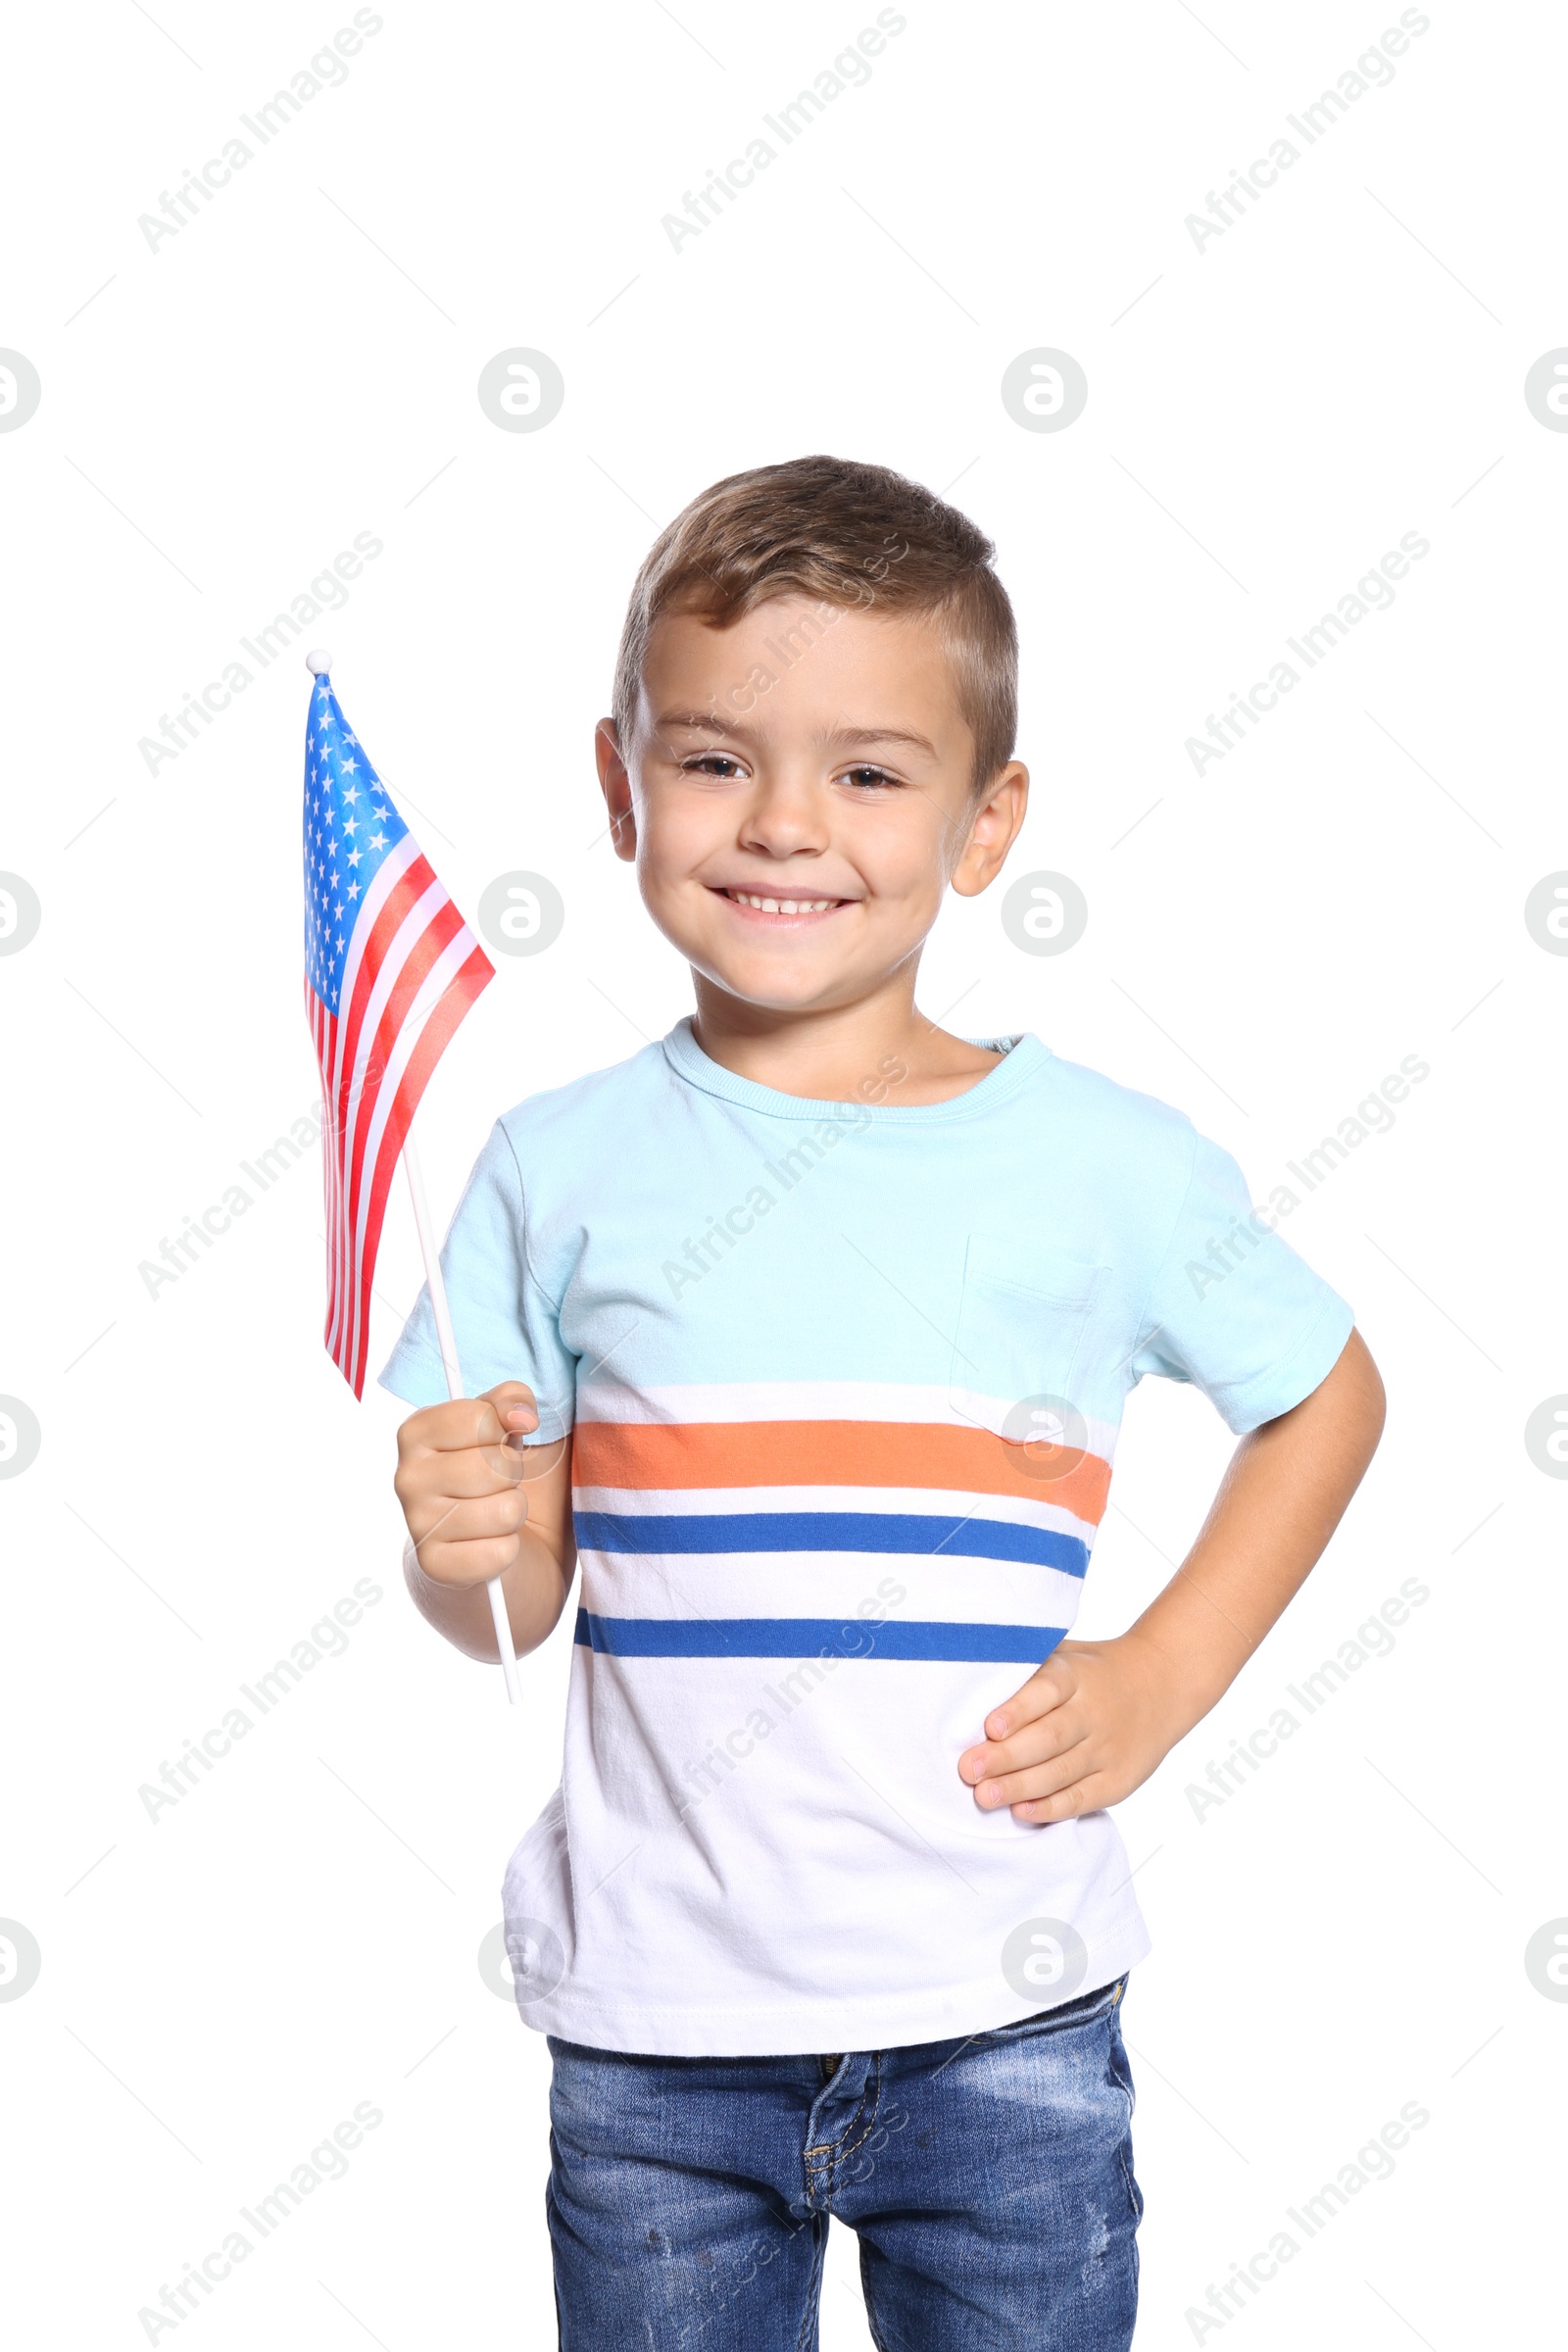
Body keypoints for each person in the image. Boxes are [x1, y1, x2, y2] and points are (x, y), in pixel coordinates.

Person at [381, 455, 1386, 2349]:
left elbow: (1327, 1396)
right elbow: (508, 1608)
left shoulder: (1104, 1165)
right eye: (710, 759)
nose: (783, 824)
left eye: (868, 769)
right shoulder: (552, 1167)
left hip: (999, 2024)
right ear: (618, 785)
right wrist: (460, 1541)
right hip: (656, 2045)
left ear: (986, 821)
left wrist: (1161, 1674)